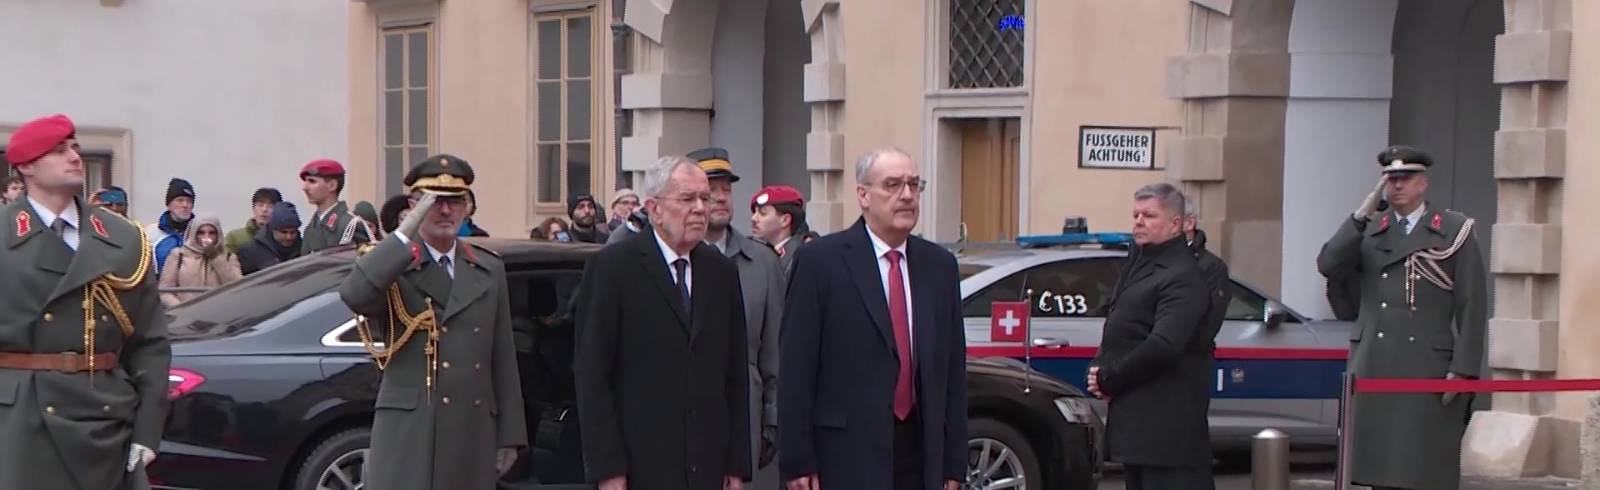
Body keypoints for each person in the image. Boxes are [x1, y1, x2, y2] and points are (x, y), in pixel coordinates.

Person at [0, 113, 171, 490]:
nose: (75, 157)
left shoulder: (123, 237)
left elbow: (150, 343)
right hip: (19, 420)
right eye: (59, 151)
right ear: (26, 167)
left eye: (75, 147)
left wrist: (147, 431)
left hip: (103, 415)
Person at [779, 148, 966, 490]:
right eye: (892, 185)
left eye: (913, 184)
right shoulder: (821, 262)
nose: (907, 195)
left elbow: (952, 372)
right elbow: (796, 368)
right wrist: (797, 460)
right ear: (863, 195)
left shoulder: (939, 266)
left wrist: (954, 464)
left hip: (919, 454)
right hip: (844, 455)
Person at [339, 154, 526, 490]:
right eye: (435, 202)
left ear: (467, 207)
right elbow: (355, 293)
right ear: (415, 206)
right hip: (414, 428)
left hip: (471, 428)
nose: (445, 211)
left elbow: (502, 355)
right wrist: (403, 233)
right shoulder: (394, 264)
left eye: (455, 201)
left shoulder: (487, 268)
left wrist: (510, 434)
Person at [1315, 145, 1487, 490]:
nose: (1396, 186)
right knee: (1378, 468)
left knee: (1422, 467)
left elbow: (1472, 303)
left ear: (1423, 183)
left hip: (1426, 363)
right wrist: (1361, 213)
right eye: (1390, 180)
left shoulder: (1452, 230)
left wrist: (1464, 368)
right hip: (1375, 362)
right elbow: (1328, 264)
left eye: (1405, 179)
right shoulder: (1370, 228)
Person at [575, 155, 750, 490]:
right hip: (640, 464)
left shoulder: (720, 272)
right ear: (654, 209)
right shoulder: (614, 268)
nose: (700, 208)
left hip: (707, 465)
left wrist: (736, 464)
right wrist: (607, 468)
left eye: (705, 198)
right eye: (687, 199)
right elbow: (592, 376)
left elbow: (735, 375)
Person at [1085, 183, 1213, 490]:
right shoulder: (1141, 264)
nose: (1138, 221)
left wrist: (1111, 377)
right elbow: (1124, 325)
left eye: (1149, 215)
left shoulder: (1182, 276)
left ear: (1176, 224)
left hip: (1167, 433)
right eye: (1136, 214)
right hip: (1139, 429)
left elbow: (1164, 344)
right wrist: (1100, 367)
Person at [691, 147, 785, 489]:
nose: (719, 198)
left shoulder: (761, 262)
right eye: (710, 189)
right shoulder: (674, 263)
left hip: (746, 426)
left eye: (725, 189)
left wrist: (772, 421)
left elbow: (775, 351)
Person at [159, 213, 242, 306]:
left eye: (212, 233)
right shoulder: (178, 255)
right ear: (193, 233)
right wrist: (181, 308)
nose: (207, 237)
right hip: (186, 315)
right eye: (201, 232)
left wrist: (216, 257)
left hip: (219, 315)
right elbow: (165, 291)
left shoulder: (229, 257)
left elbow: (237, 287)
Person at [1182, 202, 1231, 353]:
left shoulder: (1212, 267)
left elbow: (1208, 323)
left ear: (1189, 223)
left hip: (1187, 362)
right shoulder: (1148, 260)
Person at [299, 159, 370, 253]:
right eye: (305, 181)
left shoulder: (350, 225)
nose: (305, 187)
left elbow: (366, 263)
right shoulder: (311, 228)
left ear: (332, 185)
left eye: (312, 181)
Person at [748, 185, 807, 275]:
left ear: (785, 220)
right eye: (754, 212)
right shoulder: (748, 250)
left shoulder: (802, 256)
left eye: (763, 213)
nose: (753, 218)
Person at [237, 201, 305, 276]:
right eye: (283, 232)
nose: (289, 237)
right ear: (273, 229)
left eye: (293, 232)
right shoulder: (249, 252)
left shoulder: (305, 249)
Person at [148, 177, 197, 277]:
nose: (185, 205)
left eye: (189, 201)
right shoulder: (151, 233)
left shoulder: (202, 233)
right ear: (169, 204)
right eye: (180, 200)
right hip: (161, 290)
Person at [226, 188, 284, 254]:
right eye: (260, 205)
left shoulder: (285, 237)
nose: (264, 210)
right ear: (253, 208)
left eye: (270, 206)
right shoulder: (234, 237)